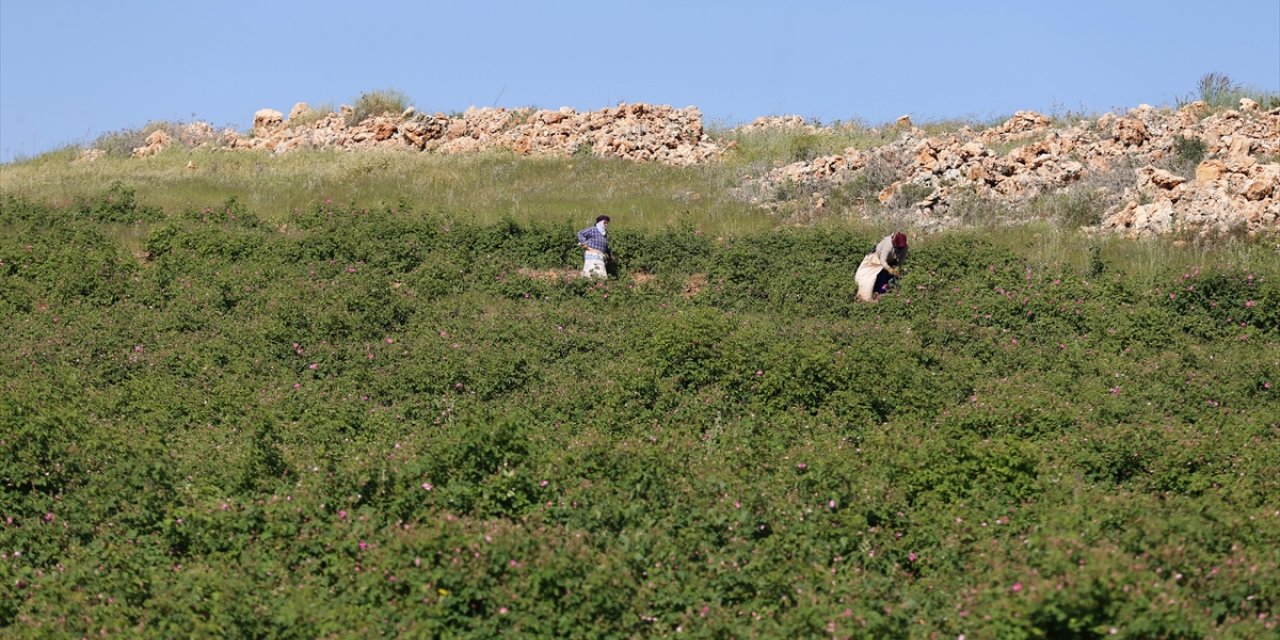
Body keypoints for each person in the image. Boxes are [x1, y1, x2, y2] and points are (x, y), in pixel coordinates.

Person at [855, 231, 908, 301]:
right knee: (870, 279)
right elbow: (883, 260)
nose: (899, 250)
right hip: (877, 259)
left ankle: (883, 294)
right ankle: (869, 295)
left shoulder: (904, 247)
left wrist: (897, 267)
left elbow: (902, 259)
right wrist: (889, 269)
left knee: (888, 280)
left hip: (891, 261)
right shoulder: (888, 244)